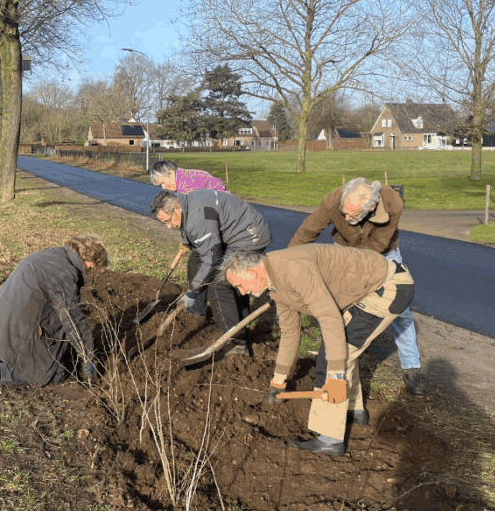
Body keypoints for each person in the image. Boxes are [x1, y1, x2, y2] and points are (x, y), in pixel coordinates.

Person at [224, 245, 414, 456]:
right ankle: (353, 409)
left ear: (251, 272)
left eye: (240, 285)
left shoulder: (292, 269)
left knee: (333, 357)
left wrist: (335, 376)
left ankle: (329, 439)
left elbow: (329, 317)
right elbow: (290, 332)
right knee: (341, 345)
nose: (242, 292)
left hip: (388, 286)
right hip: (369, 287)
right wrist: (279, 380)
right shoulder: (275, 284)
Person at [287, 178, 427, 394]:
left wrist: (353, 280)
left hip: (384, 254)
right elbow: (308, 231)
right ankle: (341, 360)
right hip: (343, 249)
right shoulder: (333, 200)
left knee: (401, 311)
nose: (346, 218)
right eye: (344, 212)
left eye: (353, 215)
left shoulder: (392, 203)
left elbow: (377, 246)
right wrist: (289, 263)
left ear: (371, 208)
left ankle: (411, 366)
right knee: (341, 307)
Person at [0, 234, 108, 393]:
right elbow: (72, 318)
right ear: (89, 263)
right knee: (54, 373)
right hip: (18, 327)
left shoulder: (54, 255)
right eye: (93, 269)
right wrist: (87, 356)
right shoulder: (64, 273)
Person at [151, 188, 270, 357]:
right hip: (235, 234)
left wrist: (193, 293)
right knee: (201, 265)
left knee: (220, 284)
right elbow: (206, 248)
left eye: (168, 221)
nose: (169, 227)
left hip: (249, 236)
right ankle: (241, 326)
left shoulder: (196, 219)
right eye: (163, 223)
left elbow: (213, 258)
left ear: (177, 208)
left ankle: (237, 342)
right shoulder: (188, 204)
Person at [150, 159, 227, 193]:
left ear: (171, 173)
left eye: (163, 182)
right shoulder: (181, 178)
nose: (163, 187)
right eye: (161, 185)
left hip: (224, 204)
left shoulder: (187, 183)